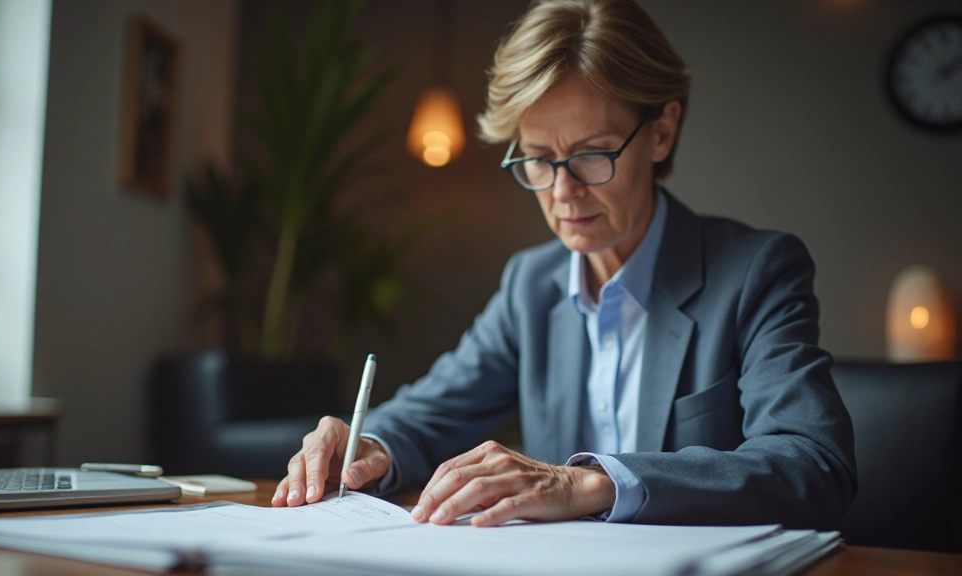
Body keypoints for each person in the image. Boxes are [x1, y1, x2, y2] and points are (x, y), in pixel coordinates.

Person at [272, 0, 856, 529]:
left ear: (662, 131)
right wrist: (371, 444)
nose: (562, 192)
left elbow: (813, 464)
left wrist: (592, 484)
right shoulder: (531, 284)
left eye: (592, 154)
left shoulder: (756, 272)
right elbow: (432, 411)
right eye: (538, 159)